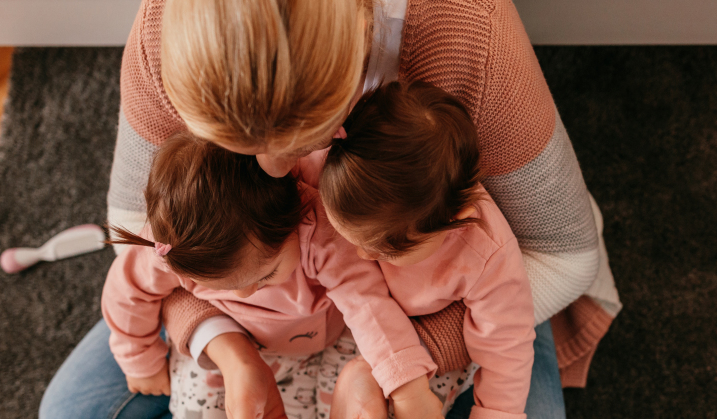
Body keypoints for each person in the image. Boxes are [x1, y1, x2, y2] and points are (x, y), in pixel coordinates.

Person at [40, 0, 620, 416]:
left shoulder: (471, 34)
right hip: (265, 292)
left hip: (450, 284)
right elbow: (139, 237)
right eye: (235, 146)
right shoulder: (165, 25)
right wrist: (220, 335)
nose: (275, 171)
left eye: (300, 144)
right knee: (68, 411)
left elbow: (563, 257)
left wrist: (402, 362)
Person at [100, 132, 466, 419]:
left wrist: (407, 388)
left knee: (370, 403)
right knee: (199, 406)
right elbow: (125, 291)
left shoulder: (319, 229)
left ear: (294, 216)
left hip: (341, 336)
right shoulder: (169, 249)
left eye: (266, 275)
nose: (246, 296)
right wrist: (139, 359)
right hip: (242, 339)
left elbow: (368, 307)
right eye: (224, 286)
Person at [323, 81, 535, 419]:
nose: (363, 255)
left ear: (457, 221)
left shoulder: (486, 253)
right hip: (347, 324)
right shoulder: (340, 172)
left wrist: (495, 412)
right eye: (352, 239)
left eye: (386, 249)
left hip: (422, 342)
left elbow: (507, 347)